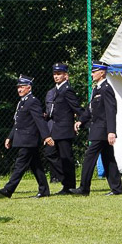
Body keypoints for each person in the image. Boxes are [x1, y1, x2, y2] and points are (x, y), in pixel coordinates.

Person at [71, 61, 122, 196]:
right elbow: (90, 109)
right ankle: (117, 188)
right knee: (108, 158)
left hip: (102, 129)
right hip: (98, 128)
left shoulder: (106, 88)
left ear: (102, 73)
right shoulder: (97, 89)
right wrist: (81, 121)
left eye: (94, 71)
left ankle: (84, 189)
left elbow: (111, 111)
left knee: (89, 157)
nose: (92, 74)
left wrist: (111, 131)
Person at [0, 75, 53, 198]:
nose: (19, 89)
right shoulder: (22, 102)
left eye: (22, 87)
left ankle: (8, 189)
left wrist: (46, 136)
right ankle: (44, 190)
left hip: (28, 139)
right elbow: (18, 122)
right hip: (23, 138)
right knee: (36, 166)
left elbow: (39, 120)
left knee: (20, 164)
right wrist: (10, 137)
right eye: (18, 87)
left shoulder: (32, 101)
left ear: (29, 88)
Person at [43, 62, 84, 194]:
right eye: (55, 74)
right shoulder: (55, 90)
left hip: (64, 129)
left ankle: (69, 186)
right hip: (55, 129)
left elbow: (76, 107)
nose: (56, 76)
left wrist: (81, 120)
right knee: (49, 153)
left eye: (59, 74)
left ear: (66, 76)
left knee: (66, 158)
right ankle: (65, 180)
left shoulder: (67, 90)